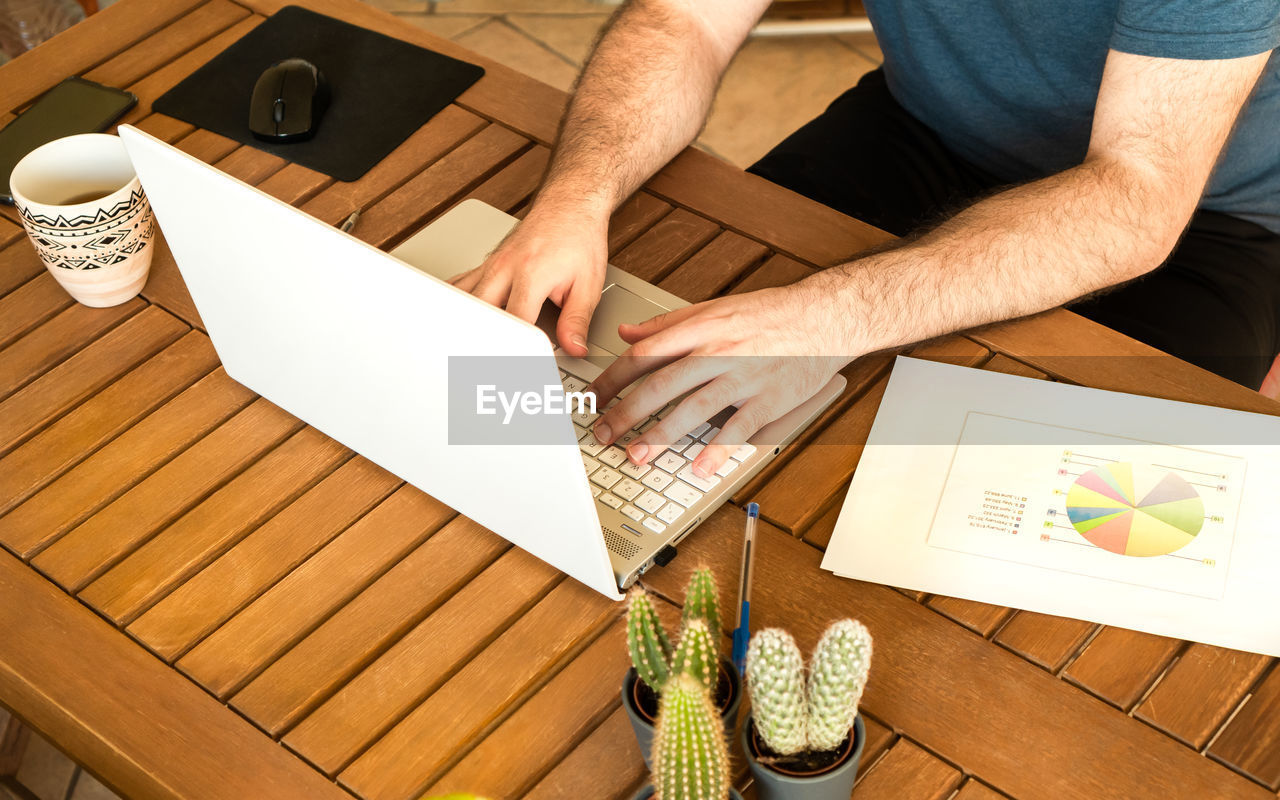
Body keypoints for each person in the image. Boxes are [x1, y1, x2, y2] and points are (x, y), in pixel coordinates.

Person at [449, 0, 1280, 479]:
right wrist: (575, 197)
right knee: (684, 363)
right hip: (919, 127)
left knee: (1023, 521)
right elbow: (684, 19)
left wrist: (825, 317)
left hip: (1207, 220)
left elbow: (1136, 191)